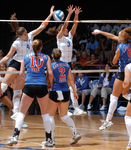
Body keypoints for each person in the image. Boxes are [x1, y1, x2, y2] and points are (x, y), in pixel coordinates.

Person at [0, 6, 55, 126]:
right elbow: (8, 56)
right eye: (24, 34)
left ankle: (15, 113)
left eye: (26, 33)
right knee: (3, 86)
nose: (27, 35)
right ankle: (15, 113)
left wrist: (50, 14)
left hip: (26, 64)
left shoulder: (30, 36)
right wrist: (0, 63)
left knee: (18, 91)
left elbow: (42, 26)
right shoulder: (17, 43)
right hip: (16, 62)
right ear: (20, 36)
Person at [6, 39, 54, 147]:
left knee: (21, 113)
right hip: (42, 86)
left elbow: (21, 73)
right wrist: (48, 82)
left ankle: (15, 136)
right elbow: (50, 73)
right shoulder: (46, 57)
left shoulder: (25, 57)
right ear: (41, 47)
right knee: (45, 114)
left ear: (32, 47)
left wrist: (28, 79)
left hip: (29, 86)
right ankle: (49, 139)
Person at [95, 27, 131, 131]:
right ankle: (108, 120)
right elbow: (112, 36)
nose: (117, 36)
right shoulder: (128, 42)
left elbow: (114, 62)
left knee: (114, 97)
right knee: (125, 94)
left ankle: (108, 120)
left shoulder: (120, 47)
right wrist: (100, 32)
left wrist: (115, 55)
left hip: (123, 73)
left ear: (122, 38)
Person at [56, 5, 86, 116]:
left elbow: (75, 24)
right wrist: (69, 14)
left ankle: (76, 108)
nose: (67, 30)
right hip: (60, 64)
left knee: (71, 85)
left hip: (68, 64)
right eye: (64, 29)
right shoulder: (59, 38)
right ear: (61, 30)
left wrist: (76, 14)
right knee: (63, 86)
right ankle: (65, 110)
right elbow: (65, 25)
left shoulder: (70, 37)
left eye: (67, 30)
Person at [48, 48, 81, 145]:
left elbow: (49, 79)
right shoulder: (67, 65)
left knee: (50, 116)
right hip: (65, 91)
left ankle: (51, 139)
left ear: (52, 56)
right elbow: (71, 80)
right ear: (61, 55)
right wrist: (74, 92)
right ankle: (75, 133)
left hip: (55, 90)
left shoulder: (51, 66)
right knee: (64, 115)